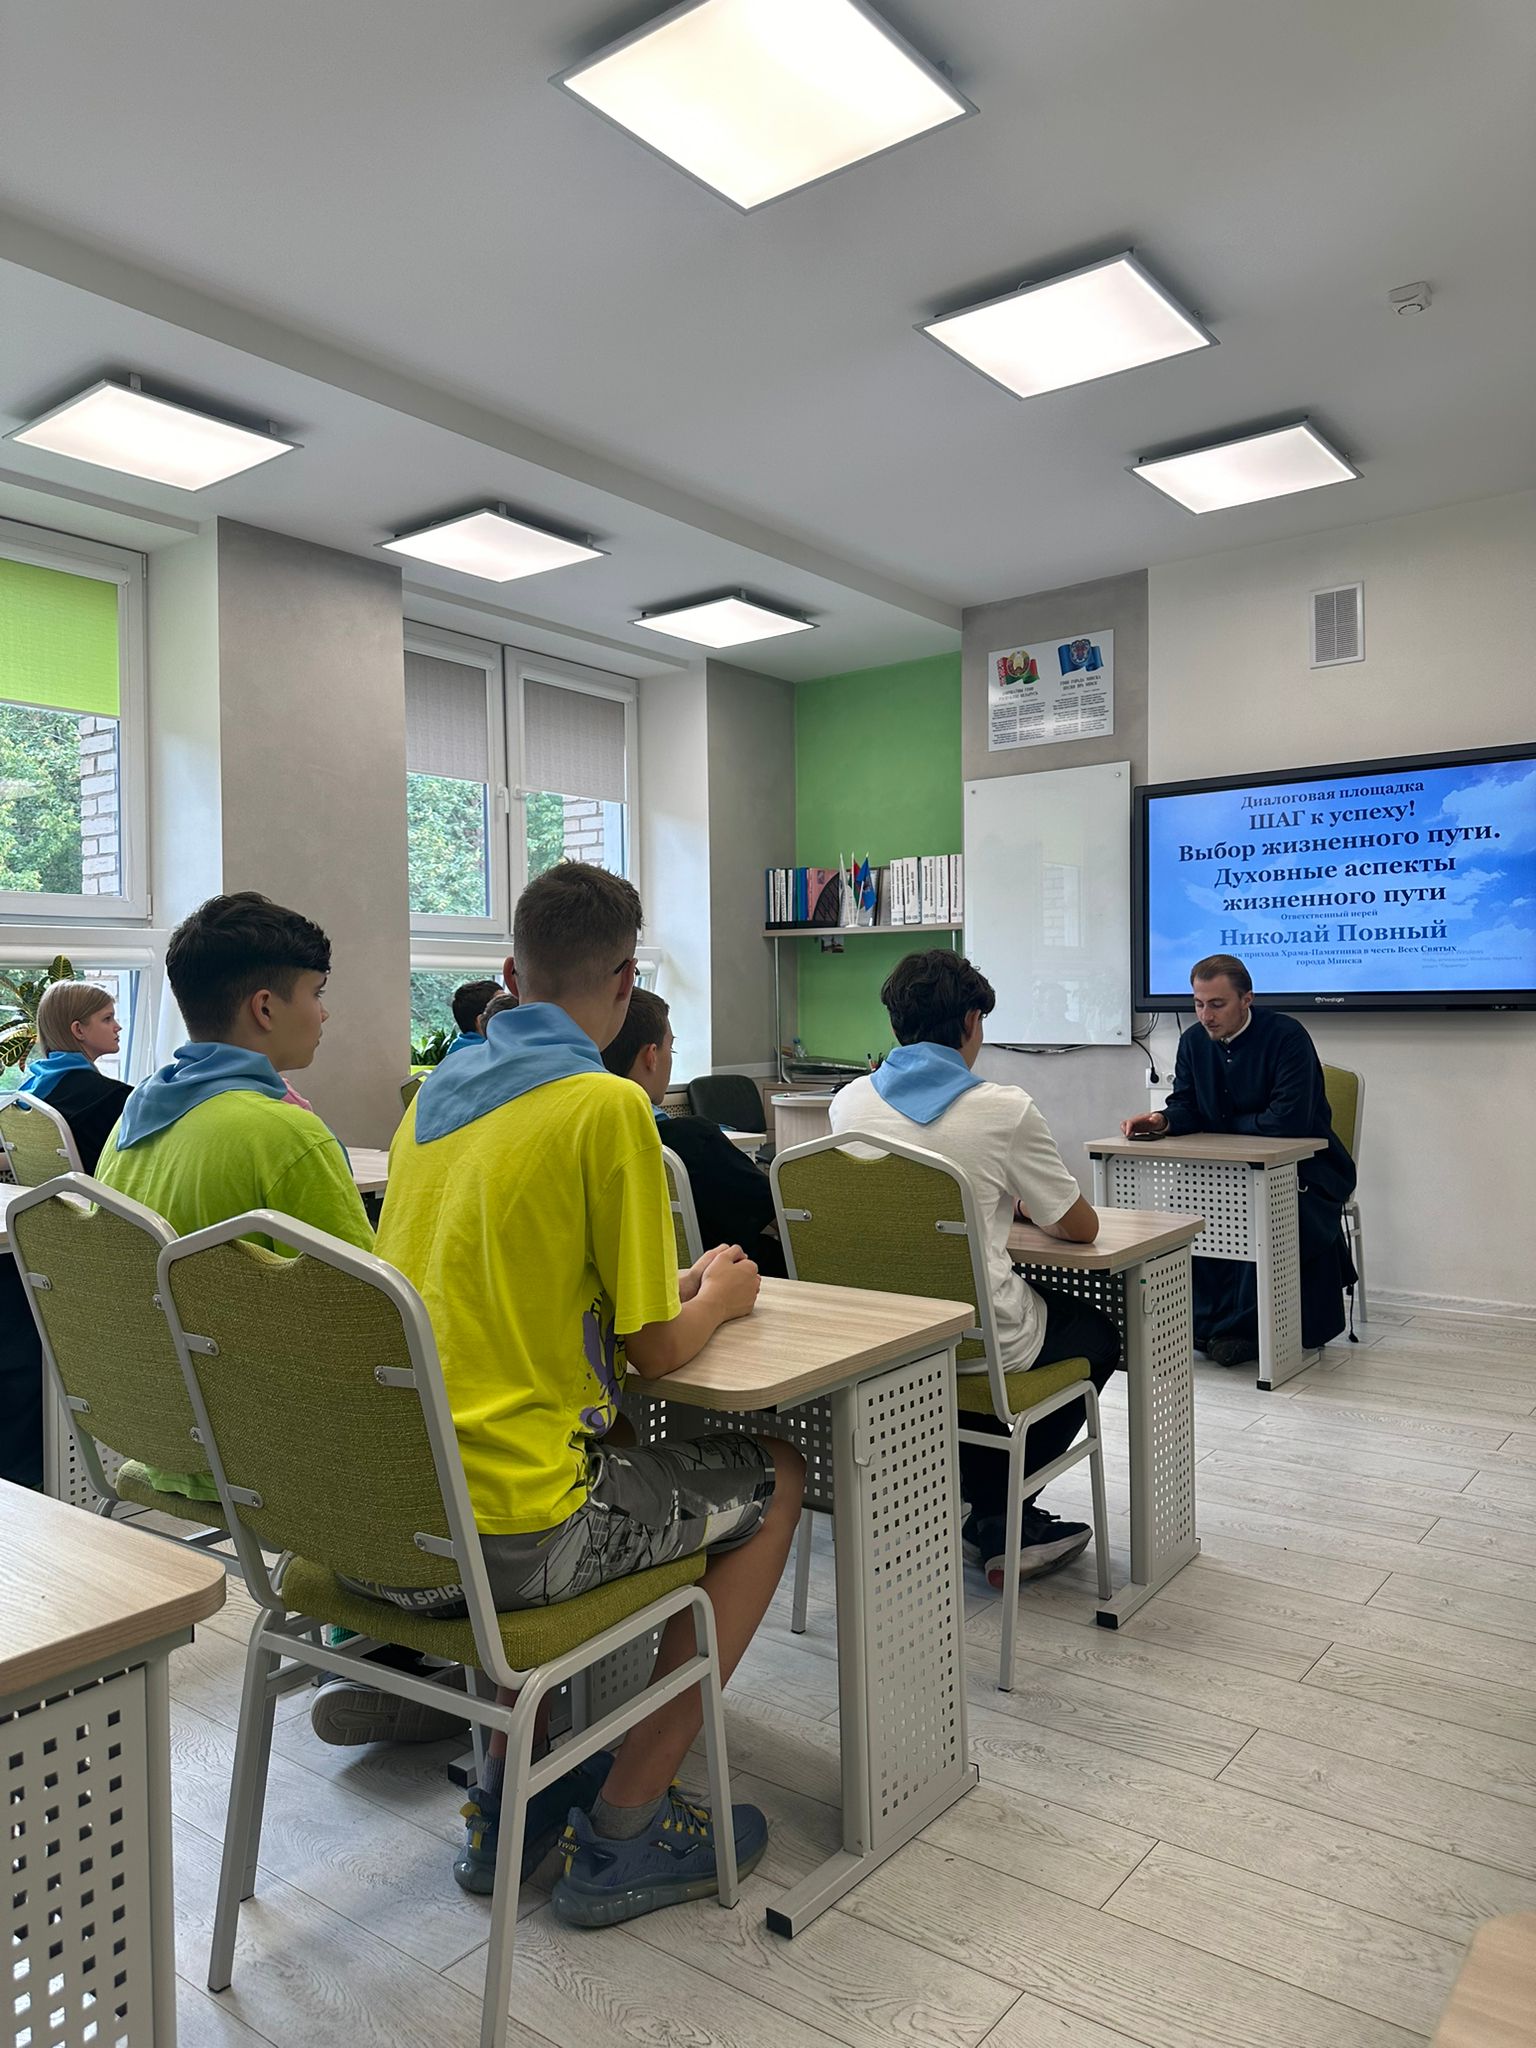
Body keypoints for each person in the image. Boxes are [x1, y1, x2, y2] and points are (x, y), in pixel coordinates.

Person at [373, 862, 804, 1926]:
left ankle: (502, 1804)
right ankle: (628, 1817)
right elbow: (655, 1349)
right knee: (778, 1474)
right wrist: (723, 1297)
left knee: (551, 1459)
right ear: (625, 980)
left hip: (393, 1522)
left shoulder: (430, 1105)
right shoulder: (606, 1104)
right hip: (517, 1537)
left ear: (511, 974)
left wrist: (678, 1286)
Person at [92, 895, 459, 1743]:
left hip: (167, 1436)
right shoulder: (284, 1135)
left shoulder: (134, 1123)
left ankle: (364, 1652)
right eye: (316, 994)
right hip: (270, 1462)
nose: (324, 1014)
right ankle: (414, 1659)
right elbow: (376, 1330)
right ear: (265, 1006)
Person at [830, 950, 1121, 1588]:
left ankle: (982, 1508)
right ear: (969, 1021)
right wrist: (1024, 1205)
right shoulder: (1004, 1108)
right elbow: (1080, 1227)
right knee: (1098, 1334)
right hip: (973, 1341)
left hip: (884, 1340)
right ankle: (998, 1508)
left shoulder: (847, 1104)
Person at [1121, 952, 1355, 1362]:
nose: (1205, 1016)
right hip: (1223, 1169)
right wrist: (1162, 1120)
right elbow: (1188, 1106)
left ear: (1247, 999)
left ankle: (1251, 1330)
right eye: (1198, 1004)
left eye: (1217, 1004)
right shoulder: (1193, 1042)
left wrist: (1222, 1124)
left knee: (1266, 1210)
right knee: (1184, 1205)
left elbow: (1289, 1121)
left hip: (1304, 1170)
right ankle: (1200, 1324)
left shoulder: (1287, 1036)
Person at [602, 988, 786, 1278]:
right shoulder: (694, 1140)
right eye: (671, 1049)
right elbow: (781, 1215)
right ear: (651, 1056)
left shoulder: (588, 1138)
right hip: (727, 1280)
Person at [22, 982, 134, 1172]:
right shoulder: (112, 1097)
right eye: (107, 1019)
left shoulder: (32, 1091)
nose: (118, 1027)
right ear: (79, 1030)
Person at [443, 978, 502, 1056]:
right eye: (503, 1008)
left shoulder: (458, 1049)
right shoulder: (486, 1055)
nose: (513, 1012)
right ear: (481, 1021)